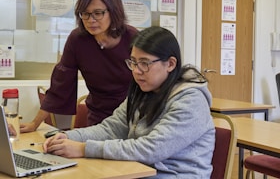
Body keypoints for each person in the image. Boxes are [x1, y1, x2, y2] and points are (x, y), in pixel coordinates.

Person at [43, 26, 215, 178]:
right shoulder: (143, 91)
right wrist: (67, 137)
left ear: (170, 64)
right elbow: (110, 129)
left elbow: (150, 149)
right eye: (133, 62)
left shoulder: (191, 100)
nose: (137, 71)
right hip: (137, 171)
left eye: (145, 63)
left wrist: (82, 149)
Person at [20, 0, 138, 133]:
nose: (91, 20)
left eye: (98, 13)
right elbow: (60, 84)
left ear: (113, 12)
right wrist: (34, 124)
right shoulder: (78, 40)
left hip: (132, 116)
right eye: (85, 13)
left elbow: (150, 82)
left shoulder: (133, 38)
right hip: (98, 116)